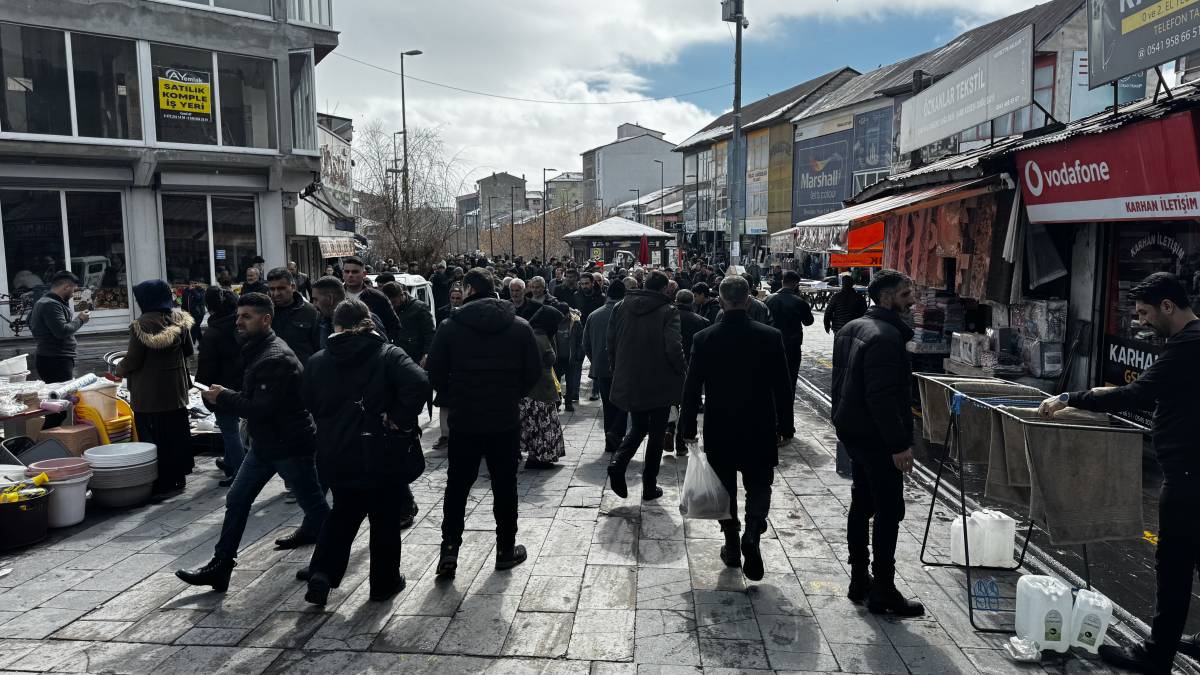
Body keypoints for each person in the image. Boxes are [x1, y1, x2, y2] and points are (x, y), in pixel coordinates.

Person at [1038, 272, 1200, 674]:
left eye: (1145, 313)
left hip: (1187, 476)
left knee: (1174, 564)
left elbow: (1136, 395)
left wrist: (1069, 397)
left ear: (1168, 305)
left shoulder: (1188, 347)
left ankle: (1155, 656)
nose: (1142, 322)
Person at [177, 293, 330, 592]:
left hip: (289, 444)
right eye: (238, 316)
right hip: (264, 444)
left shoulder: (274, 357)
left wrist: (223, 396)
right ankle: (221, 565)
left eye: (246, 316)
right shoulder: (258, 349)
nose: (239, 322)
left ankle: (329, 561)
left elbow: (261, 407)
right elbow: (260, 401)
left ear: (266, 319)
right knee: (237, 499)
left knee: (314, 506)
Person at [301, 298, 430, 605]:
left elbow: (307, 401)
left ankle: (322, 573)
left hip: (337, 451)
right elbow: (420, 384)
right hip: (381, 449)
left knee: (343, 513)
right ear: (370, 322)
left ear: (336, 327)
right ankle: (383, 583)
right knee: (384, 518)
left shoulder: (319, 360)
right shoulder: (388, 355)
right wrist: (397, 417)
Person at [426, 268, 542, 577]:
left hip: (464, 420)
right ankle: (505, 549)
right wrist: (510, 394)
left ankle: (449, 552)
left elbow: (434, 372)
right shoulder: (519, 326)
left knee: (457, 488)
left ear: (467, 291)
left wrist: (455, 395)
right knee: (505, 486)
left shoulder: (450, 327)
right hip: (504, 419)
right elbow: (533, 371)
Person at [680, 275, 791, 580]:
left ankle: (731, 544)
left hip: (721, 426)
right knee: (759, 484)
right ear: (747, 299)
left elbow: (692, 388)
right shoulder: (770, 336)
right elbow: (783, 386)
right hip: (760, 424)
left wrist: (686, 426)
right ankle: (753, 533)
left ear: (720, 299)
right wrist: (786, 425)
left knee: (724, 488)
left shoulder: (704, 338)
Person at [831, 269, 923, 617]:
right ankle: (883, 588)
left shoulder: (852, 327)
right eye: (904, 294)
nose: (912, 301)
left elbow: (840, 383)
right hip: (876, 438)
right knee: (888, 511)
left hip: (854, 432)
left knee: (862, 503)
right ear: (885, 298)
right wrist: (899, 445)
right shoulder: (885, 338)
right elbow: (882, 397)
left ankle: (859, 580)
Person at [606, 270, 686, 501]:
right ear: (664, 290)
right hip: (659, 381)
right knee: (657, 432)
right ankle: (649, 485)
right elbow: (673, 347)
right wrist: (683, 370)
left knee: (639, 426)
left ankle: (618, 463)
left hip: (630, 377)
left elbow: (610, 341)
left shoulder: (620, 306)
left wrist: (617, 369)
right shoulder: (668, 311)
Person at [115, 280, 195, 495]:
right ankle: (179, 477)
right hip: (176, 388)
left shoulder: (141, 325)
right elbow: (189, 351)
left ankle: (163, 482)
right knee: (176, 433)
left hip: (149, 391)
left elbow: (133, 360)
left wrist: (118, 369)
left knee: (155, 437)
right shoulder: (179, 319)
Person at [196, 287, 244, 487]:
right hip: (241, 383)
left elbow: (206, 366)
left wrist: (201, 386)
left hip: (220, 388)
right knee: (232, 429)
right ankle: (230, 462)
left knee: (229, 430)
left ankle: (240, 474)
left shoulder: (213, 333)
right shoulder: (240, 326)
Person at [29, 271, 89, 427]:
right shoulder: (50, 305)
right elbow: (62, 331)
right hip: (55, 360)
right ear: (65, 286)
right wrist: (80, 320)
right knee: (58, 409)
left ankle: (48, 442)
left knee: (58, 406)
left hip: (53, 358)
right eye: (73, 289)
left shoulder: (44, 302)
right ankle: (42, 444)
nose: (73, 293)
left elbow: (33, 325)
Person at [664, 289, 710, 456]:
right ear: (691, 302)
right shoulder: (702, 321)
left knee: (672, 401)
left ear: (676, 300)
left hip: (670, 366)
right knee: (688, 404)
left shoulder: (667, 318)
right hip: (693, 368)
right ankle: (681, 443)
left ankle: (669, 429)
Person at [583, 281, 628, 454]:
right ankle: (616, 433)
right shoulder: (627, 315)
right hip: (623, 367)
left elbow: (585, 344)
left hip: (601, 367)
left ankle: (610, 438)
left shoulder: (594, 315)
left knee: (608, 404)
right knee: (624, 402)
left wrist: (595, 360)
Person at [521, 304, 567, 469]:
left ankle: (535, 457)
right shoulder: (540, 338)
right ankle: (540, 458)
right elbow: (547, 360)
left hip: (534, 389)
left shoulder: (532, 334)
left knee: (535, 425)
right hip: (540, 390)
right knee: (543, 426)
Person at [765, 271, 815, 402]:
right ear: (795, 284)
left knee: (771, 379)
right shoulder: (799, 301)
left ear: (783, 281)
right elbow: (808, 321)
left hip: (771, 345)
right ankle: (787, 413)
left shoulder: (768, 299)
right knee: (790, 380)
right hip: (792, 346)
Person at [266, 267, 322, 366]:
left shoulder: (310, 312)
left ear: (292, 287)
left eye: (281, 288)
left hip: (303, 375)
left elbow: (319, 348)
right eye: (272, 289)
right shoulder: (264, 312)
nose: (276, 293)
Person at [341, 256, 401, 342]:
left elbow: (394, 326)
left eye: (355, 272)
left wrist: (384, 346)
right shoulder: (336, 297)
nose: (350, 275)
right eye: (347, 272)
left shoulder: (378, 297)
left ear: (364, 274)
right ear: (342, 273)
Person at [381, 282, 435, 366]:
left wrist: (426, 354)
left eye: (394, 301)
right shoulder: (387, 308)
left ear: (401, 295)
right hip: (394, 356)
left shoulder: (419, 308)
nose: (392, 305)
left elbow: (429, 333)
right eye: (389, 303)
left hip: (414, 356)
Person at [182, 279, 206, 347]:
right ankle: (202, 344)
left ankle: (191, 345)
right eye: (191, 282)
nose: (193, 284)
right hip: (189, 313)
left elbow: (199, 297)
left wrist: (193, 290)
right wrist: (183, 310)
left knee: (194, 329)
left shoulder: (201, 290)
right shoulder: (186, 290)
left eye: (195, 283)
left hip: (199, 313)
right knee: (196, 328)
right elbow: (184, 301)